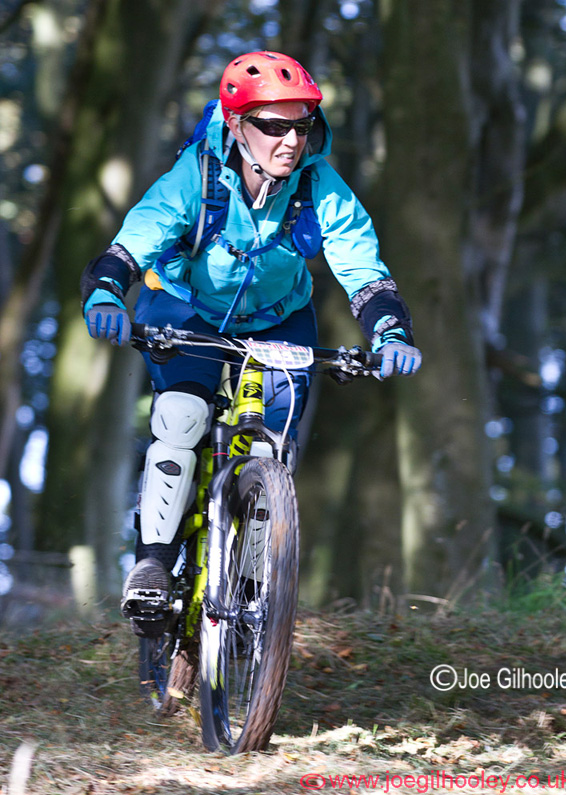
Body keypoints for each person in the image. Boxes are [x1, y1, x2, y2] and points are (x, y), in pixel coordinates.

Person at [81, 51, 422, 637]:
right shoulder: (198, 176)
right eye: (273, 124)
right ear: (237, 125)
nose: (291, 139)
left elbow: (364, 270)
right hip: (184, 305)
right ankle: (154, 565)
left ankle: (248, 593)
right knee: (182, 414)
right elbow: (135, 239)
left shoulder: (319, 185)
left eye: (302, 124)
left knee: (270, 452)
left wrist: (391, 329)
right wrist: (108, 292)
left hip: (279, 320)